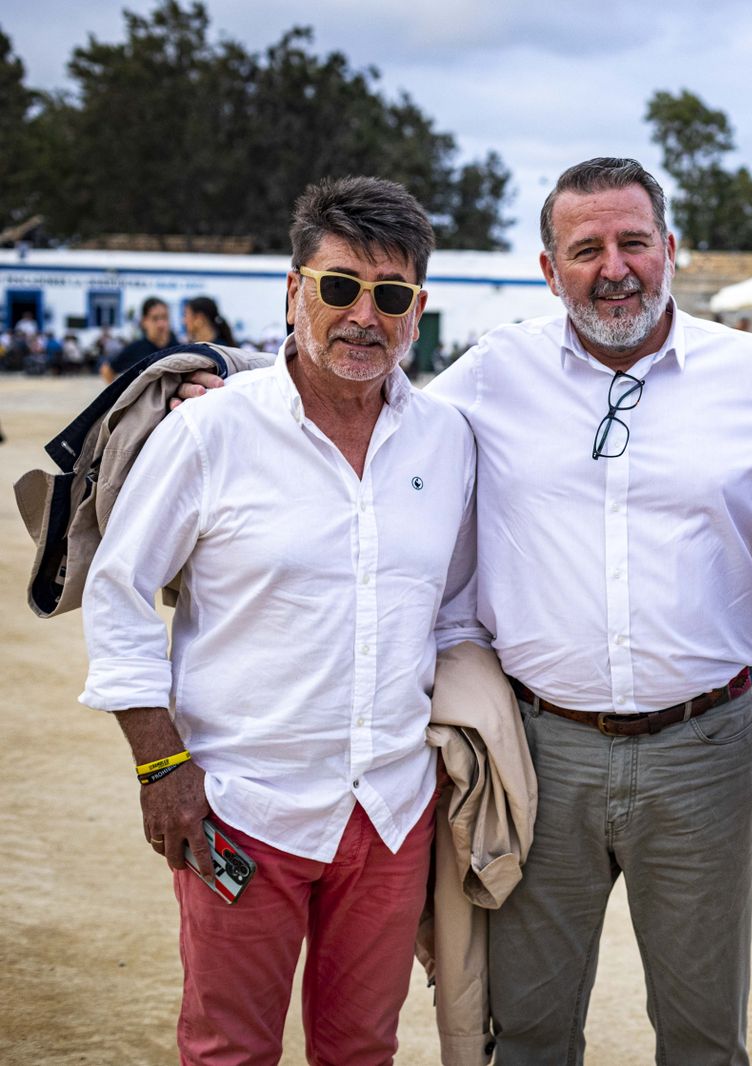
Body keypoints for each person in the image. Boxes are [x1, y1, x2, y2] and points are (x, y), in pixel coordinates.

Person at [173, 157, 752, 1065]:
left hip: (705, 751)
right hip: (540, 750)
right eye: (585, 248)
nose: (614, 265)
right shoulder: (489, 374)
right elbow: (370, 393)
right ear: (549, 270)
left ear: (669, 250)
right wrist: (231, 377)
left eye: (634, 241)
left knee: (705, 1035)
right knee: (530, 1030)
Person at [80, 175, 480, 1064]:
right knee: (229, 1050)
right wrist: (161, 765)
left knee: (361, 1049)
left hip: (390, 812)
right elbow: (118, 593)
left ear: (418, 307)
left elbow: (454, 609)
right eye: (339, 287)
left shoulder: (446, 440)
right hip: (239, 809)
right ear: (293, 291)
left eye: (391, 295)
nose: (363, 317)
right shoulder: (209, 434)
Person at [102, 296, 173, 381]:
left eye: (165, 317)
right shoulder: (135, 349)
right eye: (155, 318)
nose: (161, 324)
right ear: (144, 321)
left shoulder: (178, 347)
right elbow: (106, 370)